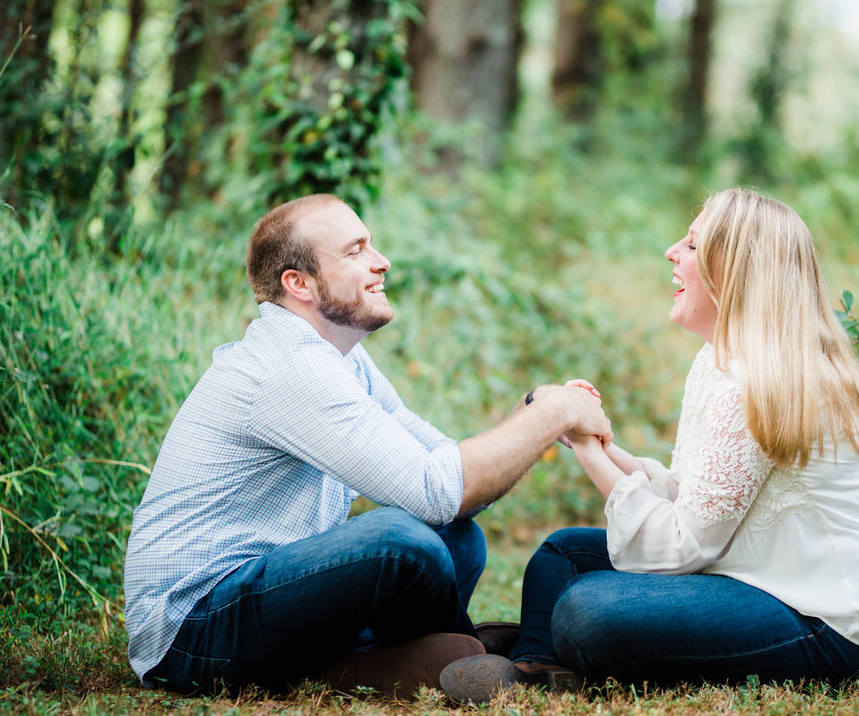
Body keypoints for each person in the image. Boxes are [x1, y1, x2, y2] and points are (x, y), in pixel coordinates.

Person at [123, 193, 611, 697]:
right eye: (355, 251)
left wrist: (536, 407)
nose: (382, 262)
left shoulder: (341, 359)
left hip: (265, 595)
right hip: (192, 630)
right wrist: (553, 415)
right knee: (401, 541)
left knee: (458, 538)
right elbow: (440, 489)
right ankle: (471, 655)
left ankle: (360, 662)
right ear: (300, 283)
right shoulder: (290, 367)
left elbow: (448, 471)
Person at [441, 187, 859, 702]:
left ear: (731, 270)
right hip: (748, 575)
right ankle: (538, 666)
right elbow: (692, 494)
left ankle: (555, 645)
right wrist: (589, 439)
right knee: (563, 554)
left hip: (831, 624)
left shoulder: (757, 383)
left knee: (587, 610)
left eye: (691, 245)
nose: (671, 251)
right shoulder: (719, 361)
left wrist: (593, 453)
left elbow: (684, 545)